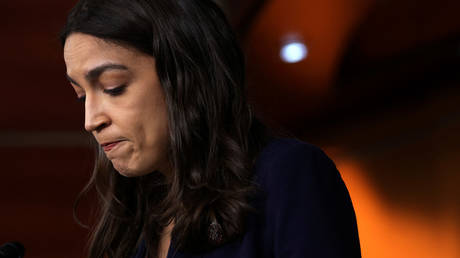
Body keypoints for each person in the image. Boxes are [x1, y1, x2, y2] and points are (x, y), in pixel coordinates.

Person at [60, 0, 362, 258]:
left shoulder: (288, 174)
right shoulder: (140, 219)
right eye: (81, 96)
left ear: (184, 75)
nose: (91, 121)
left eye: (113, 86)